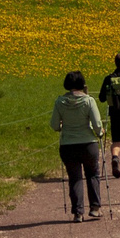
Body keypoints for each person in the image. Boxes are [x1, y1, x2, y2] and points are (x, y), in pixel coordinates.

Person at [50, 71, 104, 221]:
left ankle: (78, 212)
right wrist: (100, 132)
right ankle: (95, 207)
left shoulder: (59, 102)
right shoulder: (88, 101)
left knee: (75, 178)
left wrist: (62, 126)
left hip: (68, 145)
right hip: (88, 144)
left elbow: (54, 125)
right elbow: (97, 125)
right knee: (93, 174)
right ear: (82, 84)